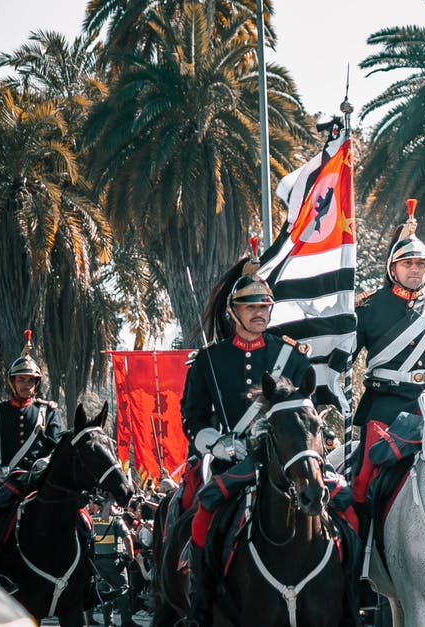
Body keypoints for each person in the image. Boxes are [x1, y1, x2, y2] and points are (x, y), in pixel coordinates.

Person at [180, 250, 313, 627]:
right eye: (250, 306)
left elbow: (307, 411)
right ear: (233, 312)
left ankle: (349, 600)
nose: (259, 312)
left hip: (286, 462)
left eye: (264, 306)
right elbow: (192, 418)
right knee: (204, 511)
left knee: (340, 506)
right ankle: (201, 603)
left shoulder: (291, 357)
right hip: (233, 462)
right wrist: (215, 442)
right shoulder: (209, 360)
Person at [349, 199, 425, 511]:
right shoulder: (369, 306)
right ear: (393, 269)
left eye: (421, 264)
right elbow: (346, 357)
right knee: (362, 482)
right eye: (408, 263)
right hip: (386, 404)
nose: (415, 269)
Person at [0, 330, 63, 496]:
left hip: (41, 483)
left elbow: (58, 448)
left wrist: (46, 463)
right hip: (8, 482)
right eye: (21, 379)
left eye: (31, 381)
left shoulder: (48, 411)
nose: (26, 385)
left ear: (36, 384)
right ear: (12, 382)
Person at [89, 499, 138, 627]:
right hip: (115, 562)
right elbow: (127, 538)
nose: (118, 508)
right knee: (123, 591)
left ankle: (108, 622)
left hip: (97, 562)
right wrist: (131, 556)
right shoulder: (116, 520)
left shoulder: (92, 519)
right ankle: (126, 621)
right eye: (115, 506)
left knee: (105, 591)